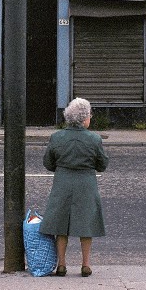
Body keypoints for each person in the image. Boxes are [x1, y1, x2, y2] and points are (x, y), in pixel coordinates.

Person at [40, 97, 108, 277]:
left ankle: (61, 265)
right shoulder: (94, 139)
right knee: (86, 225)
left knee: (61, 225)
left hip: (62, 181)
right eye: (89, 116)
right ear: (84, 118)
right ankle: (85, 264)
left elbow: (48, 163)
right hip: (86, 182)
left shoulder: (56, 137)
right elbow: (102, 164)